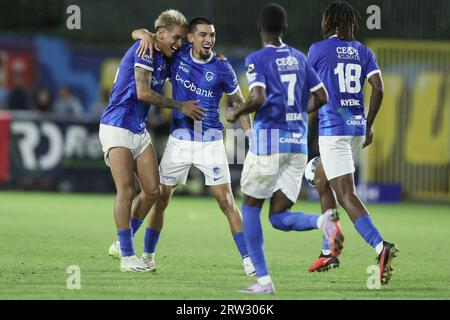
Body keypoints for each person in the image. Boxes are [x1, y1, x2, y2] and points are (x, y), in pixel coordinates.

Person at [119, 17, 256, 276]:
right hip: (179, 141)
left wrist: (250, 135)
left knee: (225, 200)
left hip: (210, 141)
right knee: (160, 198)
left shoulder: (222, 67)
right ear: (190, 38)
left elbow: (239, 101)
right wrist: (141, 34)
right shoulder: (178, 54)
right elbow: (147, 34)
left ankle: (249, 259)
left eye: (212, 35)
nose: (209, 40)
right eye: (203, 34)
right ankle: (147, 255)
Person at [226, 4, 337, 294]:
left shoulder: (257, 58)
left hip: (269, 143)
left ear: (260, 28)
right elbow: (322, 96)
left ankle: (264, 281)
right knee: (277, 216)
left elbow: (259, 96)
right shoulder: (300, 58)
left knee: (249, 206)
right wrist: (300, 110)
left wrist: (238, 111)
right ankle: (322, 221)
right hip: (297, 146)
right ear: (285, 29)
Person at [100, 9, 205, 272]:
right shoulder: (144, 49)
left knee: (152, 191)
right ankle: (126, 256)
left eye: (182, 39)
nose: (179, 43)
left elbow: (193, 55)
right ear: (160, 33)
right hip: (117, 124)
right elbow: (143, 92)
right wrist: (180, 105)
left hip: (137, 128)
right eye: (177, 38)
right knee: (126, 190)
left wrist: (216, 58)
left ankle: (119, 244)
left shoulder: (164, 53)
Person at [306, 1, 398, 284]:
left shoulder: (318, 49)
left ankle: (381, 247)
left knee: (346, 195)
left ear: (328, 22)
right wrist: (369, 124)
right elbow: (379, 89)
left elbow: (309, 92)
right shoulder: (363, 51)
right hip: (357, 128)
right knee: (321, 181)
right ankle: (328, 249)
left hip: (334, 129)